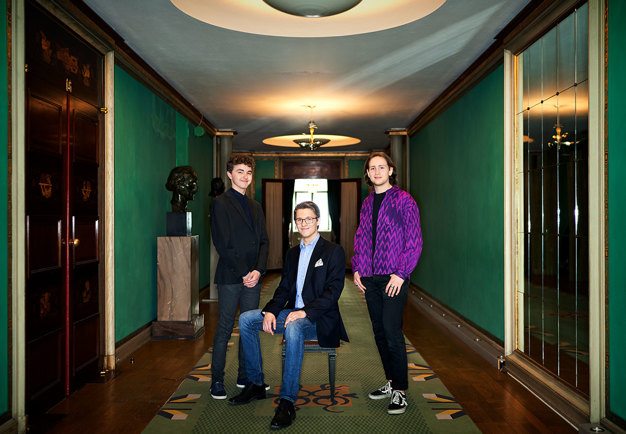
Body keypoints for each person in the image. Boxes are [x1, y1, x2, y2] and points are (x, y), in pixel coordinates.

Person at [229, 201, 349, 430]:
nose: (304, 223)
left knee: (294, 326)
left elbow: (333, 292)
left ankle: (287, 402)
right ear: (296, 223)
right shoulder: (293, 253)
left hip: (318, 319)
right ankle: (255, 383)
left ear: (318, 221)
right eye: (299, 219)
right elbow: (284, 289)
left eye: (309, 219)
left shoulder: (333, 251)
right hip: (292, 313)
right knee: (246, 319)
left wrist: (304, 312)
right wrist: (271, 312)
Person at [351, 152, 422, 415]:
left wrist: (401, 273)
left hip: (394, 277)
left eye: (382, 167)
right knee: (379, 332)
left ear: (391, 170)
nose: (377, 171)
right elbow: (360, 237)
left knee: (392, 332)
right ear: (367, 174)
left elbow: (414, 241)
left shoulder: (404, 201)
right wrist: (357, 266)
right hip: (369, 278)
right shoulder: (367, 203)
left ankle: (401, 390)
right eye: (372, 168)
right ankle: (391, 382)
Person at [209, 155, 269, 399]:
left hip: (253, 277)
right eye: (240, 171)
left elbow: (264, 241)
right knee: (225, 328)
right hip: (231, 277)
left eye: (249, 172)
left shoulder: (255, 206)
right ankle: (217, 381)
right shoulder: (220, 203)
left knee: (249, 328)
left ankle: (247, 376)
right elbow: (222, 243)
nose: (245, 176)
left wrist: (258, 270)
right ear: (230, 174)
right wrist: (245, 272)